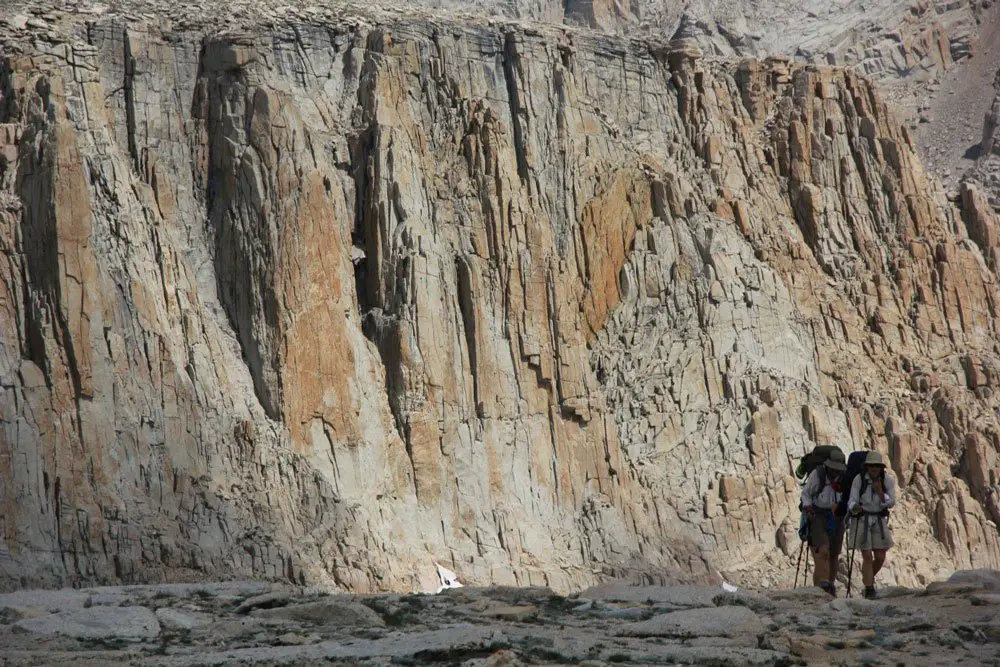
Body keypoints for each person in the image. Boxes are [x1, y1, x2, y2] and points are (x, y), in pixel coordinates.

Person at [847, 451, 896, 599]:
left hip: (879, 520)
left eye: (877, 466)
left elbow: (891, 502)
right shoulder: (859, 479)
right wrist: (855, 507)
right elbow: (852, 499)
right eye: (871, 466)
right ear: (867, 467)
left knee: (880, 556)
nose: (874, 468)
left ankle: (867, 579)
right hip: (862, 518)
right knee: (867, 555)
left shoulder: (887, 480)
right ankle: (869, 588)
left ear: (881, 467)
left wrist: (880, 492)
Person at [800, 449, 847, 596]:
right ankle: (825, 584)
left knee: (834, 554)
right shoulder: (818, 475)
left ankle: (826, 588)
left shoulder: (844, 478)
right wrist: (807, 507)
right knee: (823, 551)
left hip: (837, 516)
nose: (835, 472)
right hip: (818, 515)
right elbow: (806, 494)